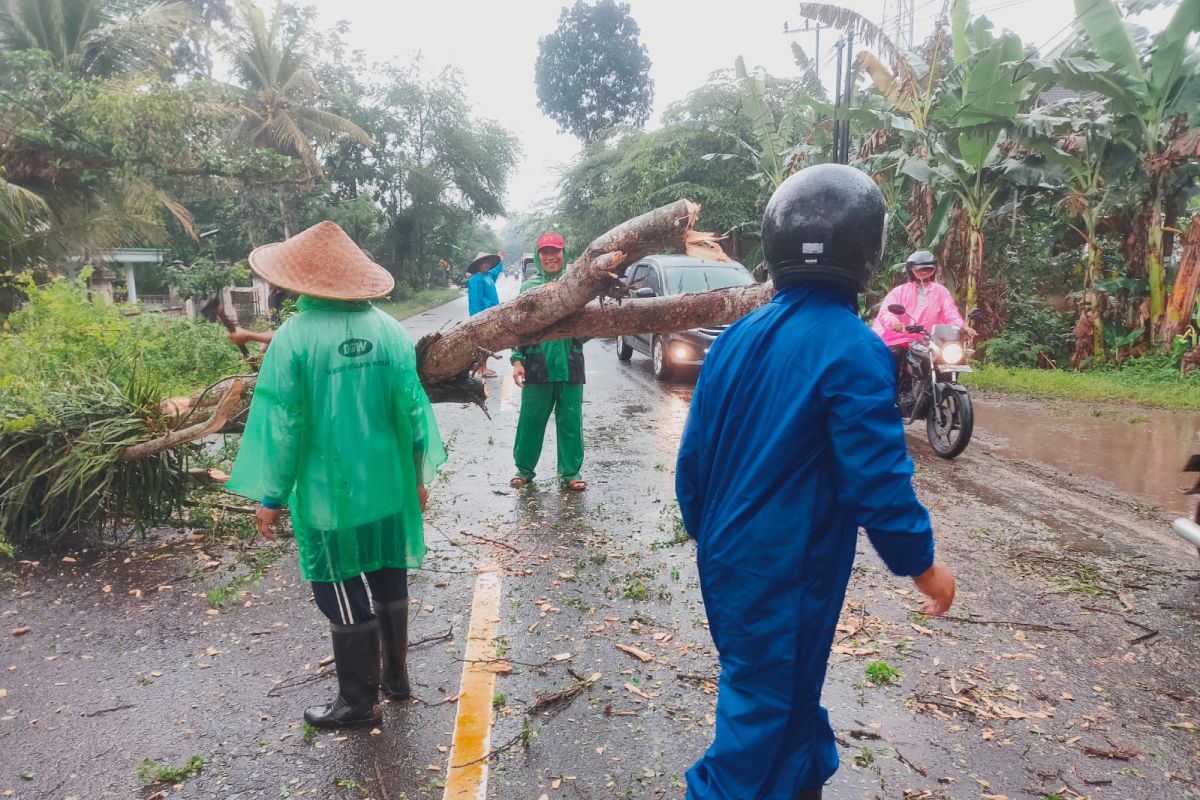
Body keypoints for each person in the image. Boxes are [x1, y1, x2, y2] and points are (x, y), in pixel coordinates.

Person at [675, 164, 956, 800]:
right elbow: (878, 480)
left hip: (731, 561)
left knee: (788, 700)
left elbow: (692, 465)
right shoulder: (853, 347)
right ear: (865, 249)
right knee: (756, 731)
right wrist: (922, 565)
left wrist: (717, 540)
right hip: (786, 571)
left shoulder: (734, 340)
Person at [225, 221, 446, 729]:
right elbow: (414, 415)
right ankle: (396, 678)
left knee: (338, 586)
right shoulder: (390, 331)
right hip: (389, 486)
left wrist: (272, 495)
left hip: (331, 496)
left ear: (302, 282)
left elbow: (284, 423)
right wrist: (417, 478)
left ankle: (357, 700)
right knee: (389, 576)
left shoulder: (294, 339)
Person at [509, 233, 587, 491]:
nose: (550, 256)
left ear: (564, 254)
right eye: (545, 252)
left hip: (571, 366)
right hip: (536, 366)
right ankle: (523, 470)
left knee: (570, 422)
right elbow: (517, 328)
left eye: (555, 251)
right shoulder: (529, 288)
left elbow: (590, 326)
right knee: (531, 420)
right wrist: (517, 360)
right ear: (538, 255)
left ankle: (571, 473)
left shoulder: (576, 286)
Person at [871, 250, 973, 380]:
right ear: (911, 271)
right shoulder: (899, 291)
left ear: (934, 270)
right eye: (920, 270)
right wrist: (894, 323)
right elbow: (887, 312)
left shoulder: (941, 291)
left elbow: (951, 312)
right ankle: (894, 392)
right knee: (894, 355)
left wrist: (963, 326)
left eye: (928, 269)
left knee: (953, 358)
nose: (924, 273)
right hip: (902, 337)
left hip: (931, 339)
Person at [466, 250, 506, 377]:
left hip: (491, 316)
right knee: (483, 343)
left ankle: (483, 367)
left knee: (488, 342)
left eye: (488, 263)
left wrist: (500, 259)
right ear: (478, 265)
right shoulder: (476, 279)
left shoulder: (487, 276)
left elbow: (495, 272)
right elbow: (475, 301)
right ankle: (482, 369)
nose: (486, 265)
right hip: (482, 317)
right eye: (484, 263)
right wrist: (476, 320)